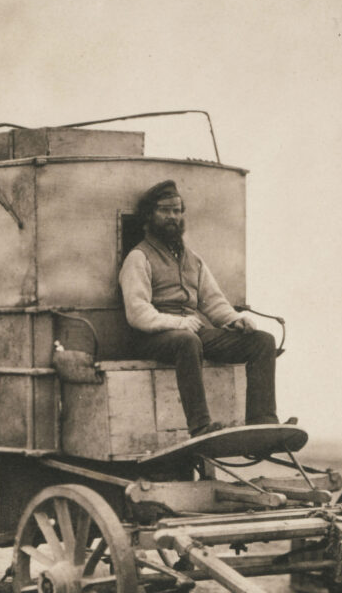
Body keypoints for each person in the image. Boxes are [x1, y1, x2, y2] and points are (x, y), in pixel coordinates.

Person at [119, 179, 286, 438]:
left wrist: (234, 320)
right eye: (165, 211)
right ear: (149, 216)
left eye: (177, 211)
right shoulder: (138, 258)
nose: (172, 217)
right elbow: (137, 311)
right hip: (150, 337)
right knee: (187, 341)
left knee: (262, 341)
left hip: (190, 333)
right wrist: (176, 323)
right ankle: (200, 427)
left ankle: (262, 421)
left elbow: (213, 300)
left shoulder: (193, 259)